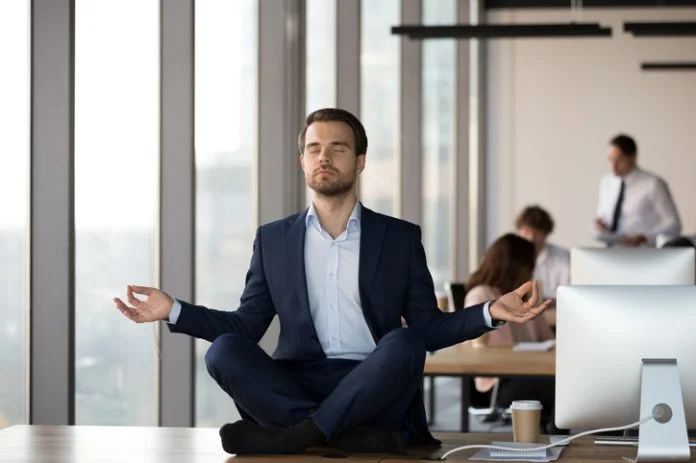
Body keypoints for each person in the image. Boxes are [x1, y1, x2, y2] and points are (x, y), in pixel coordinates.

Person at [114, 108, 550, 455]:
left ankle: (294, 436)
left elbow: (428, 329)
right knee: (225, 350)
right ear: (302, 159)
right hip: (298, 381)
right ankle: (341, 433)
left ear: (359, 162)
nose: (324, 156)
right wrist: (174, 310)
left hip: (373, 381)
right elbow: (247, 326)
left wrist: (492, 312)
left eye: (338, 148)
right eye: (314, 148)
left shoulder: (399, 238)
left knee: (403, 342)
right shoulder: (273, 239)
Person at [464, 234, 557, 432]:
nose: (532, 270)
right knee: (563, 389)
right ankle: (556, 438)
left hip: (532, 373)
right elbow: (492, 353)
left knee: (570, 383)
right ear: (516, 266)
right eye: (530, 264)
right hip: (501, 383)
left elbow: (548, 340)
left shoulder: (524, 297)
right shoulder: (481, 295)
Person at [595, 134, 681, 247]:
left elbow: (674, 225)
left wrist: (645, 237)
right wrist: (600, 225)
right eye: (610, 160)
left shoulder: (653, 184)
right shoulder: (606, 182)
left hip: (643, 253)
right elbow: (603, 215)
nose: (613, 166)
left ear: (633, 158)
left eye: (619, 160)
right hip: (612, 252)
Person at [516, 205, 569, 301]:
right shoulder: (511, 257)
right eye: (527, 232)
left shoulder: (562, 257)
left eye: (536, 233)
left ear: (546, 233)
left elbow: (567, 295)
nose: (531, 238)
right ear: (519, 231)